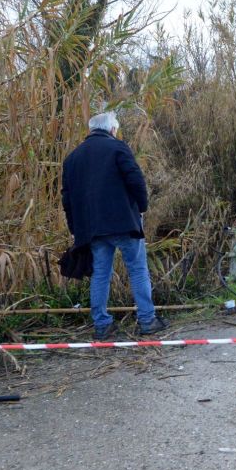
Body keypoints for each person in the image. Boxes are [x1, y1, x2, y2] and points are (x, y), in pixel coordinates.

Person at [62, 111, 167, 338]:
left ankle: (102, 326)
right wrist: (141, 207)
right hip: (125, 222)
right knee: (138, 270)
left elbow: (67, 199)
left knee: (100, 274)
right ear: (112, 129)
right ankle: (147, 321)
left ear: (91, 130)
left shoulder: (72, 159)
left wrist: (75, 228)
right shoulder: (118, 148)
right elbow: (135, 179)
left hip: (93, 229)